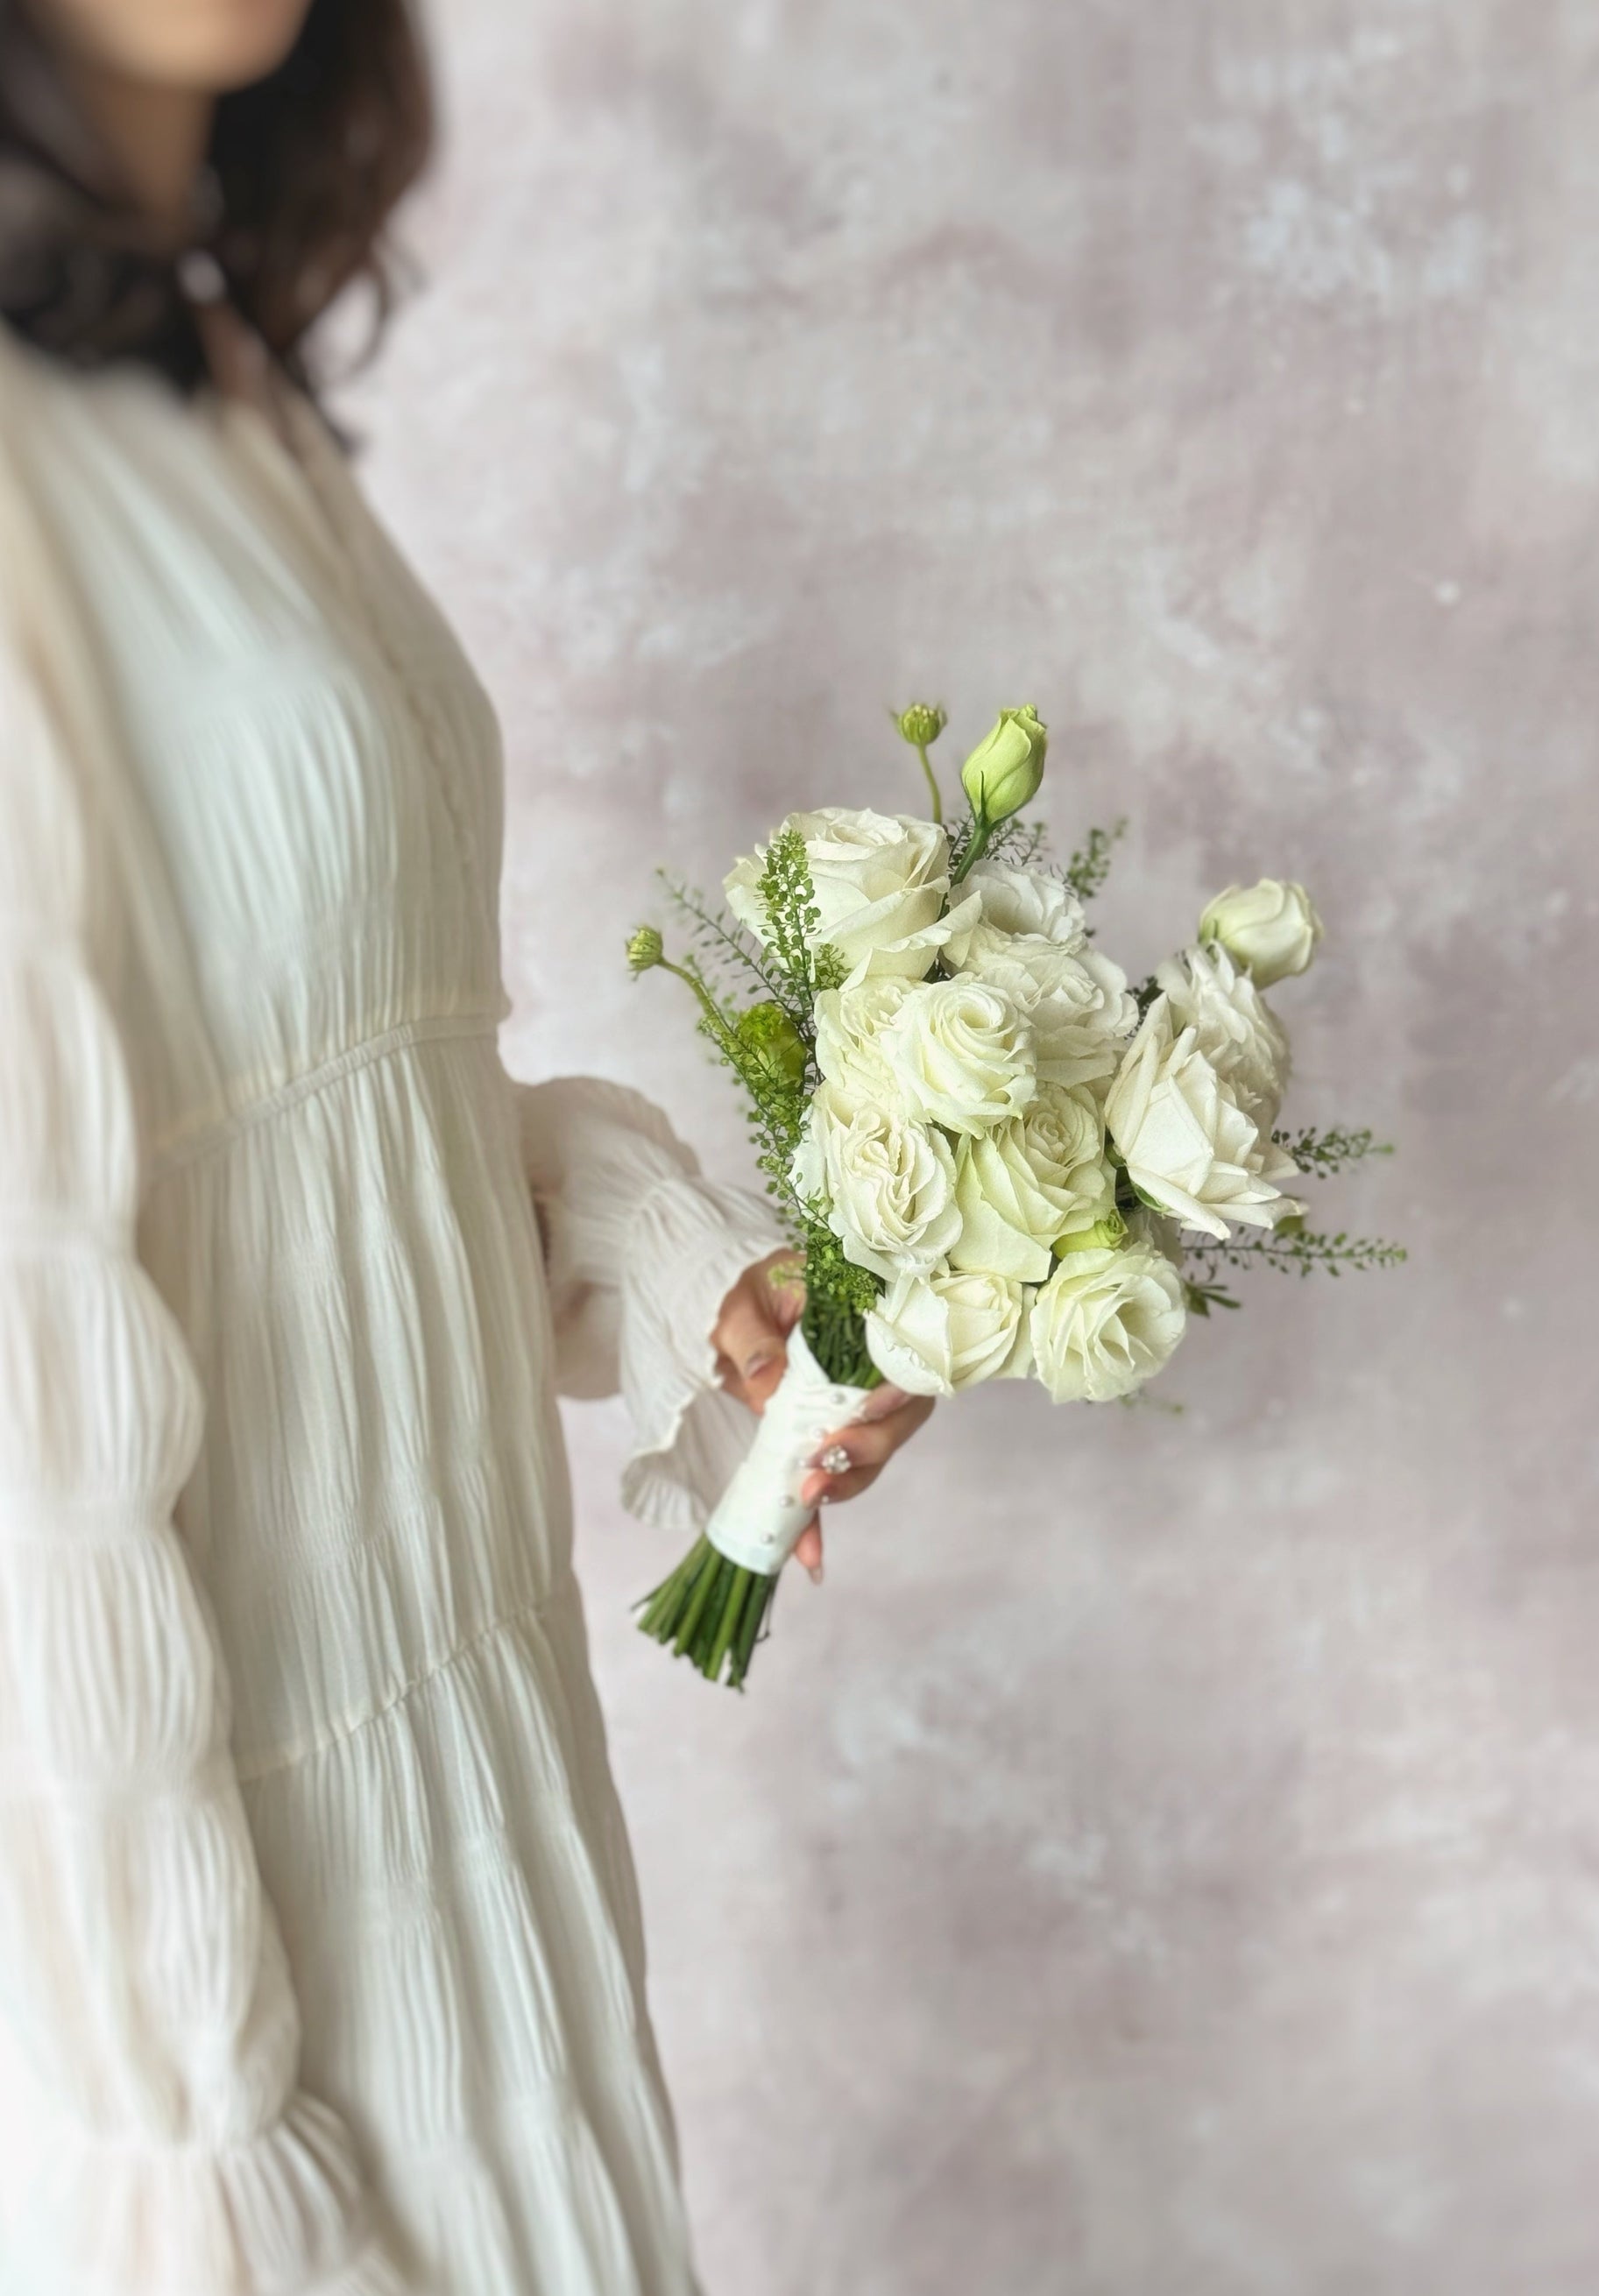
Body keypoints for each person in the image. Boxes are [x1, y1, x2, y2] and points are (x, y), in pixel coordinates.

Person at [0, 3, 934, 2288]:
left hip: (466, 1806)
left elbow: (309, 1107)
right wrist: (197, 2136)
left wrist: (676, 1255)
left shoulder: (197, 367)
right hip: (235, 1978)